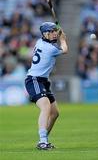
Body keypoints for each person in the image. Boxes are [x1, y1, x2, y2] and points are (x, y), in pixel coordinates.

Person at [25, 22, 68, 150]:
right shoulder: (50, 49)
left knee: (55, 113)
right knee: (45, 107)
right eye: (52, 31)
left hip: (43, 81)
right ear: (45, 34)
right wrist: (63, 39)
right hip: (34, 80)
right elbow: (65, 50)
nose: (54, 33)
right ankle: (43, 142)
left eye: (55, 31)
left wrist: (57, 34)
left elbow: (52, 40)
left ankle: (42, 141)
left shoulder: (40, 42)